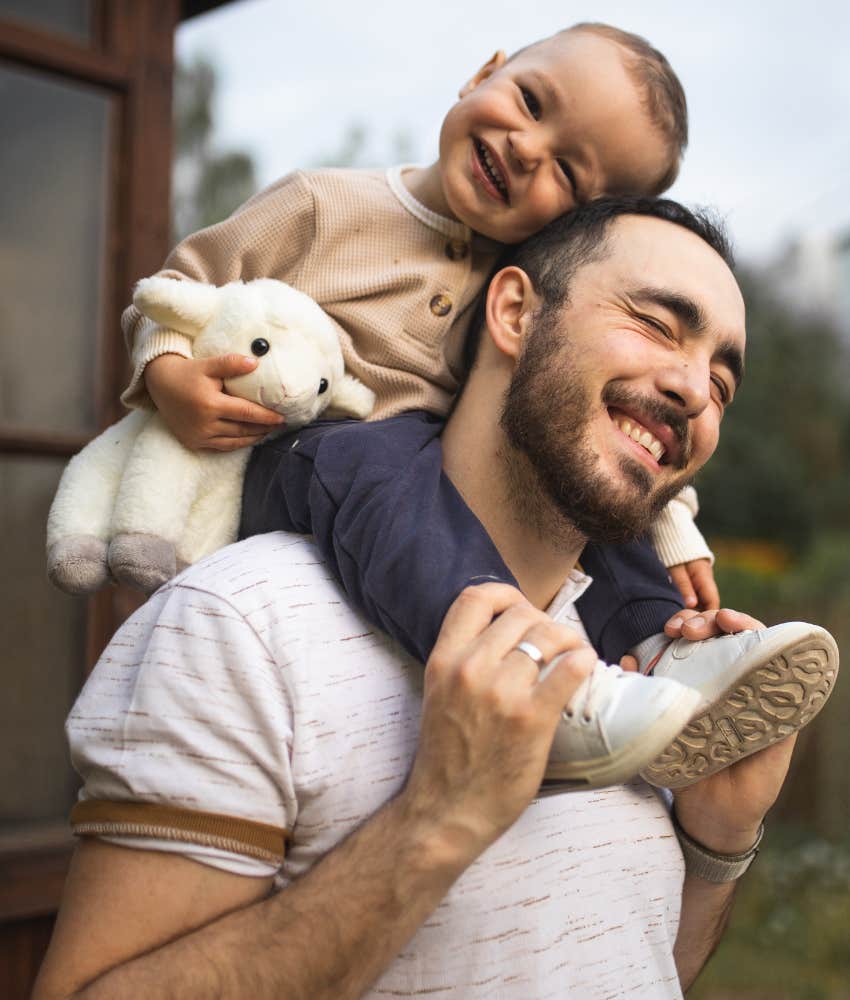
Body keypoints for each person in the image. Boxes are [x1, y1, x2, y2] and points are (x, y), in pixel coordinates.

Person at [35, 199, 810, 999]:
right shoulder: (242, 624)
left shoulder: (645, 677)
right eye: (655, 325)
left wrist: (720, 841)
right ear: (513, 312)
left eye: (721, 383)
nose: (694, 390)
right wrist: (439, 819)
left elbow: (636, 967)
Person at [120, 24, 720, 706]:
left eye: (567, 172)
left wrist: (668, 524)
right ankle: (509, 667)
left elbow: (594, 412)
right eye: (529, 101)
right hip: (283, 458)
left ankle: (667, 651)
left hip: (417, 488)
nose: (527, 149)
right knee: (379, 461)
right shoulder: (322, 205)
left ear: (576, 227)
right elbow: (176, 292)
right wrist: (170, 375)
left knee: (576, 475)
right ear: (482, 73)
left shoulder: (526, 288)